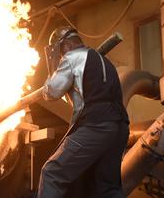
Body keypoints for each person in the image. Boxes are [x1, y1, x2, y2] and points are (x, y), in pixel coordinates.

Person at [37, 26, 129, 198]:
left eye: (60, 51)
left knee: (52, 173)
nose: (61, 56)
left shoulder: (72, 57)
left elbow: (51, 92)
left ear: (65, 46)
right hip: (120, 127)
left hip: (96, 125)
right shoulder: (103, 61)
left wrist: (51, 76)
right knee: (107, 188)